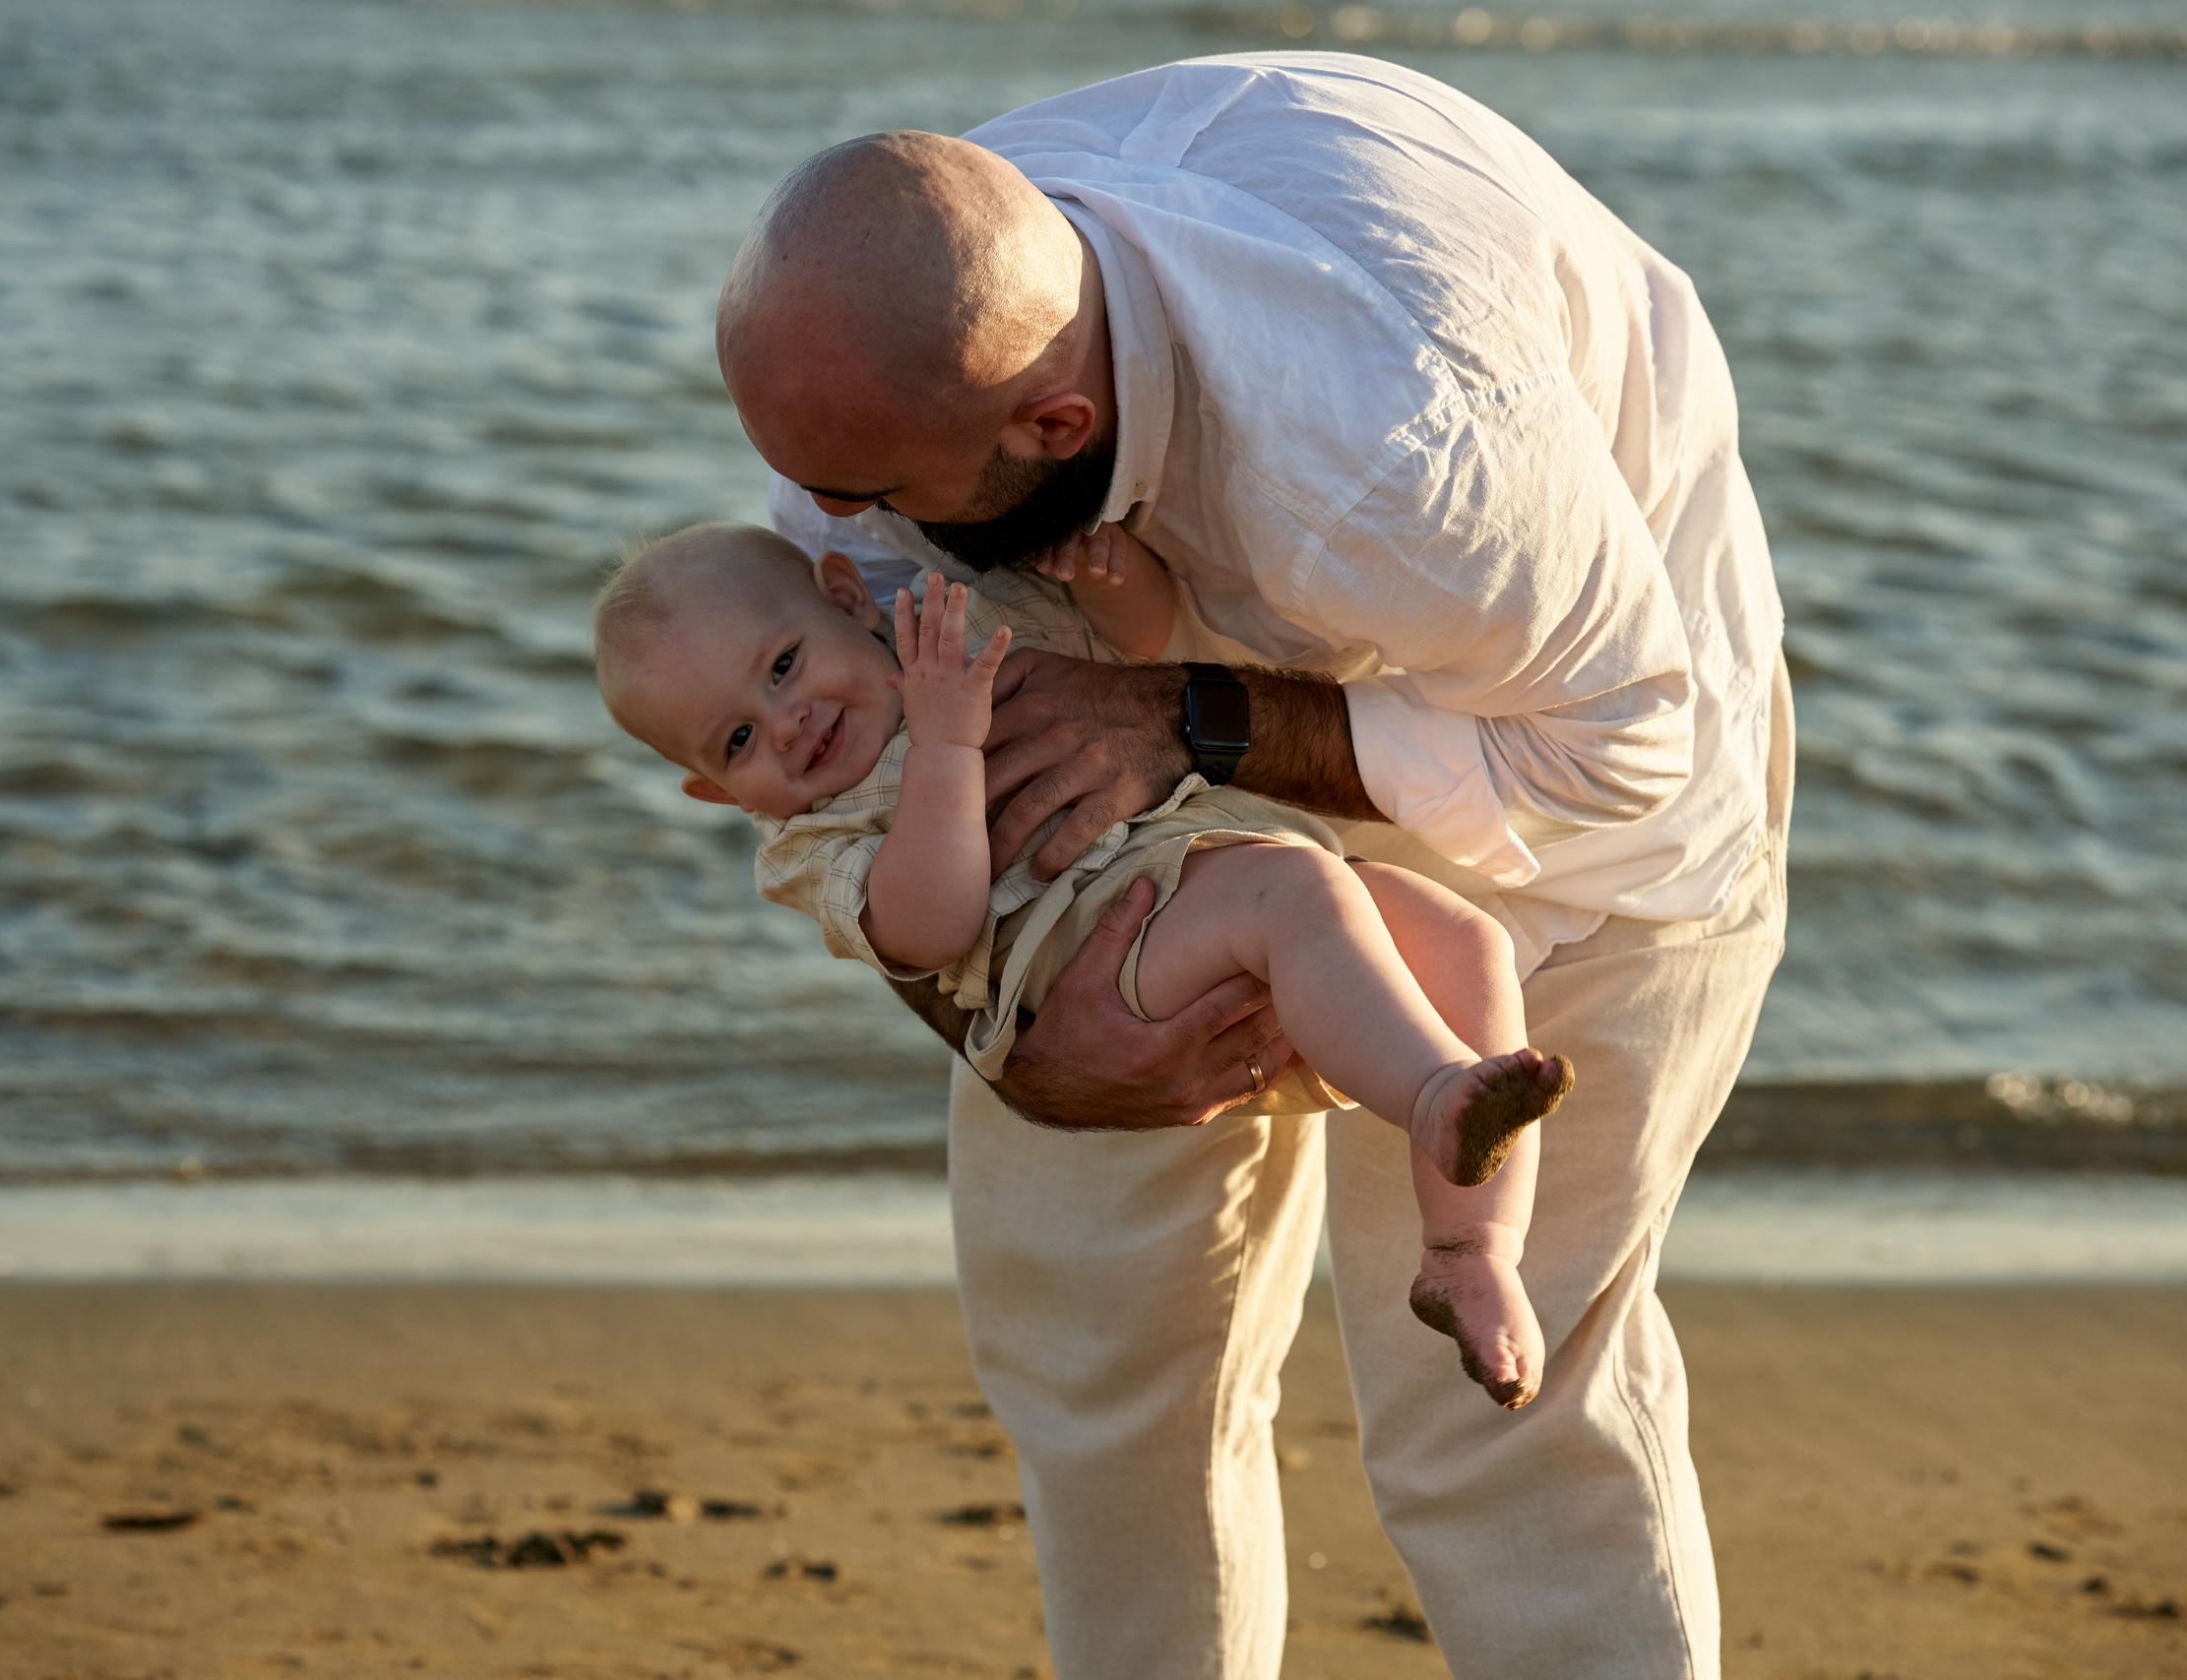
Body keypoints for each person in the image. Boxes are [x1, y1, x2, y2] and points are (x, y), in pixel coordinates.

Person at [714, 50, 1790, 1679]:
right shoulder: (893, 335)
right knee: (1096, 1349)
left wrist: (1196, 714)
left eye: (863, 496)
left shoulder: (1407, 450)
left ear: (1053, 420)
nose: (829, 525)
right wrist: (1013, 1042)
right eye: (811, 484)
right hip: (1126, 757)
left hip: (1563, 754)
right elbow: (843, 800)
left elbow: (1633, 752)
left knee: (1482, 1406)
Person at [594, 518, 1574, 1403]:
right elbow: (926, 930)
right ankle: (1437, 1092)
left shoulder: (954, 632)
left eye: (782, 667)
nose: (788, 723)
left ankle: (1468, 1247)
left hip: (1207, 868)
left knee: (1463, 939)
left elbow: (1136, 644)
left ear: (849, 597)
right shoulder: (811, 837)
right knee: (1303, 896)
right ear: (717, 793)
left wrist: (1109, 576)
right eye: (738, 739)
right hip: (1094, 956)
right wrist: (942, 745)